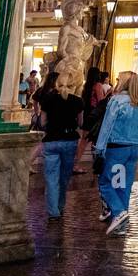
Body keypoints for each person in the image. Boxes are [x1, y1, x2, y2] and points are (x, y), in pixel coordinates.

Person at [95, 71, 138, 236]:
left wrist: (99, 149)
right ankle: (120, 222)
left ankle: (119, 212)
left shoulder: (117, 101)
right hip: (133, 149)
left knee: (106, 183)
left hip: (117, 147)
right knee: (123, 185)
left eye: (119, 79)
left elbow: (107, 125)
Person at [36, 71, 83, 219]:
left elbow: (42, 122)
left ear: (57, 84)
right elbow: (81, 123)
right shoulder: (77, 101)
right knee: (64, 177)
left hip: (51, 141)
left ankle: (53, 212)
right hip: (70, 140)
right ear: (73, 84)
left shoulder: (48, 99)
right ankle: (61, 205)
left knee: (51, 178)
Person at [75, 68, 110, 175]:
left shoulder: (86, 87)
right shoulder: (98, 86)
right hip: (95, 117)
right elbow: (101, 102)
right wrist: (108, 94)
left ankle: (77, 164)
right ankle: (95, 165)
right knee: (95, 141)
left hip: (87, 114)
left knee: (84, 142)